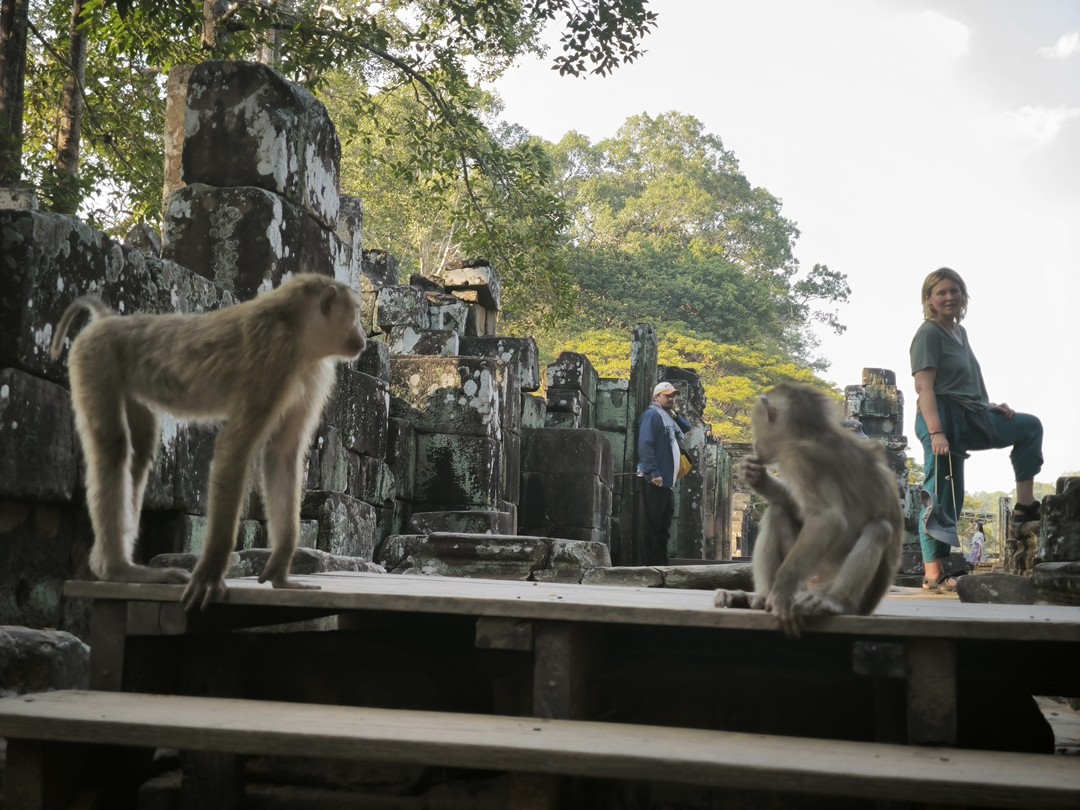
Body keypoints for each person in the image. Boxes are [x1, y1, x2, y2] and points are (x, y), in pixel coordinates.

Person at [910, 267, 1043, 592]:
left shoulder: (960, 332)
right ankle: (933, 574)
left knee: (1028, 427)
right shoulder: (928, 333)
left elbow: (964, 383)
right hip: (939, 418)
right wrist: (937, 432)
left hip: (972, 415)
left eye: (954, 290)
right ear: (929, 299)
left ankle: (1025, 508)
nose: (949, 297)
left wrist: (990, 407)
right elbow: (924, 388)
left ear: (963, 295)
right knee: (942, 494)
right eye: (941, 292)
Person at [636, 381, 691, 565]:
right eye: (667, 395)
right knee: (650, 528)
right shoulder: (652, 415)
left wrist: (674, 414)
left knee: (663, 528)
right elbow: (645, 444)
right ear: (656, 397)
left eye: (673, 396)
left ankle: (659, 566)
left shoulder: (667, 416)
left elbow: (686, 427)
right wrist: (654, 473)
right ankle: (646, 568)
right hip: (655, 480)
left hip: (667, 482)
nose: (671, 399)